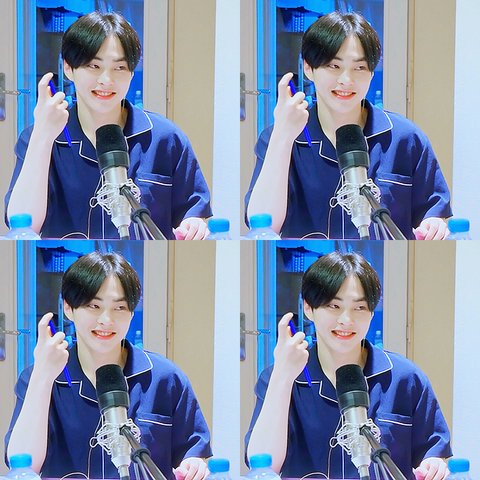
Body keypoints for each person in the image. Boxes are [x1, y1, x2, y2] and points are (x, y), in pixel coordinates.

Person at [5, 251, 212, 480]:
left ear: (131, 312)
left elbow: (192, 453)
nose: (106, 320)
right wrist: (42, 377)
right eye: (94, 306)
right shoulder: (41, 377)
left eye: (119, 307)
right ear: (68, 308)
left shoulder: (165, 377)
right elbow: (23, 465)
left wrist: (194, 465)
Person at [5, 11, 212, 240]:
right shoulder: (41, 137)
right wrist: (42, 137)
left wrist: (194, 225)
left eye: (119, 67)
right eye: (94, 66)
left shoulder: (165, 137)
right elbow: (23, 225)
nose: (106, 80)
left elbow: (193, 214)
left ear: (131, 72)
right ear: (68, 68)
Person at [245, 11, 452, 240]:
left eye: (359, 67)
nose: (346, 80)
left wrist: (434, 225)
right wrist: (282, 137)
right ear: (308, 68)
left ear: (371, 72)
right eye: (334, 66)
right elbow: (263, 226)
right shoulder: (281, 137)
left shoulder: (405, 138)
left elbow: (433, 214)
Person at [245, 251, 452, 480]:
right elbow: (263, 465)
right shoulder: (281, 377)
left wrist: (434, 465)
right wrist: (282, 377)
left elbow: (432, 453)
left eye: (359, 307)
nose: (346, 320)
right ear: (308, 308)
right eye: (334, 306)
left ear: (371, 312)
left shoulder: (405, 377)